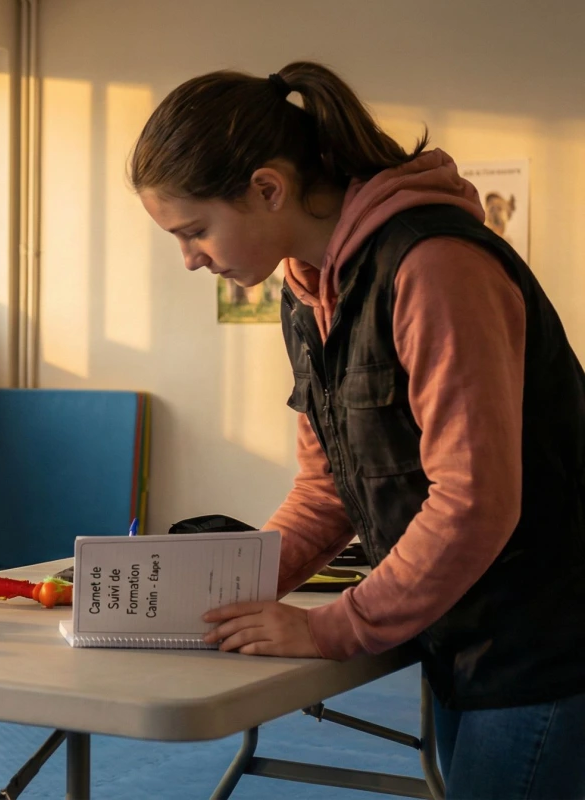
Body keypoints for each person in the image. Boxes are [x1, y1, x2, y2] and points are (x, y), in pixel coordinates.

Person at [129, 61, 585, 799]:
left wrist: (327, 628)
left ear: (267, 188)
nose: (189, 259)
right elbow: (326, 487)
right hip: (467, 633)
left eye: (195, 231)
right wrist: (228, 594)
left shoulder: (435, 266)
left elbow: (475, 501)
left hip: (546, 640)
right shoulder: (309, 292)